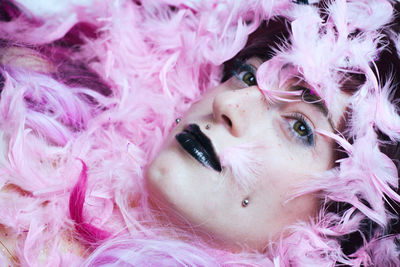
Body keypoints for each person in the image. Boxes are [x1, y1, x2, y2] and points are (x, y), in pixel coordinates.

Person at [0, 0, 399, 266]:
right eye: (245, 75)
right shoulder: (25, 113)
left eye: (299, 127)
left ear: (340, 222)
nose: (229, 105)